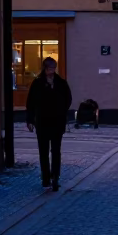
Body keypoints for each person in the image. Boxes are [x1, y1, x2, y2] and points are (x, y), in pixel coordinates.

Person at [25, 56, 72, 192]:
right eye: (49, 69)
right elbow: (31, 103)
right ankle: (45, 178)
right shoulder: (37, 83)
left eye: (53, 68)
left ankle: (55, 177)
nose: (51, 71)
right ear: (44, 69)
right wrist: (30, 120)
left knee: (56, 151)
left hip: (57, 122)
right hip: (42, 122)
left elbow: (68, 99)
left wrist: (61, 111)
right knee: (43, 152)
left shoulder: (61, 83)